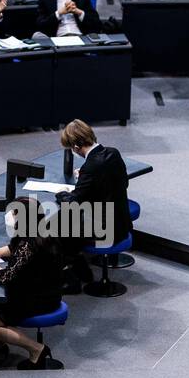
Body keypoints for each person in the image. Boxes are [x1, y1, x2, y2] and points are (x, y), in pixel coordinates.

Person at [0, 194, 64, 369]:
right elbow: (13, 249)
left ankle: (36, 349)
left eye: (14, 212)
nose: (10, 215)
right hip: (47, 291)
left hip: (38, 299)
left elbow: (7, 277)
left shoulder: (29, 244)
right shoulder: (41, 230)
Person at [54, 119, 131, 287]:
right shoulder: (113, 153)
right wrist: (85, 179)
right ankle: (80, 266)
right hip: (122, 223)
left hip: (105, 230)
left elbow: (73, 202)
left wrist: (61, 194)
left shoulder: (90, 167)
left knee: (55, 228)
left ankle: (70, 276)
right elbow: (122, 183)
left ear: (75, 147)